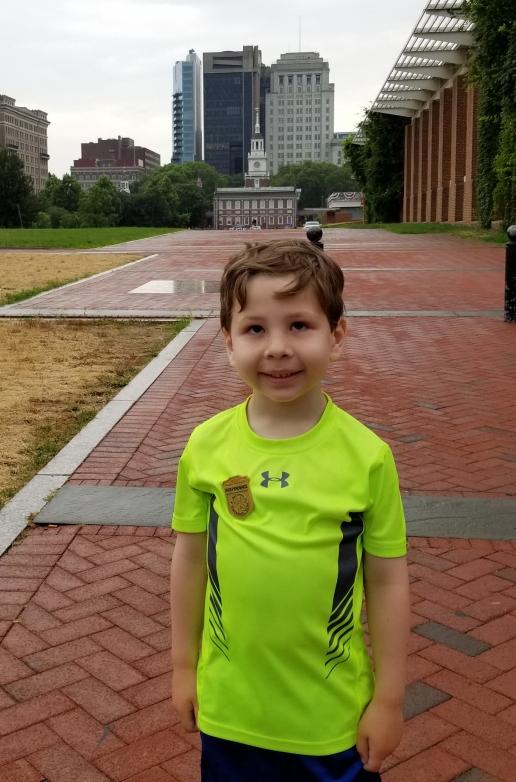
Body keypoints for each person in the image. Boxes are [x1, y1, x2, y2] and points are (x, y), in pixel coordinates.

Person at [170, 239, 411, 782]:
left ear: (337, 335)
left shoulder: (367, 457)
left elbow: (389, 581)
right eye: (255, 329)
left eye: (299, 325)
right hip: (230, 715)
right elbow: (189, 562)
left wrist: (389, 701)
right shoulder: (206, 446)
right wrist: (184, 667)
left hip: (330, 721)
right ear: (228, 343)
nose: (277, 348)